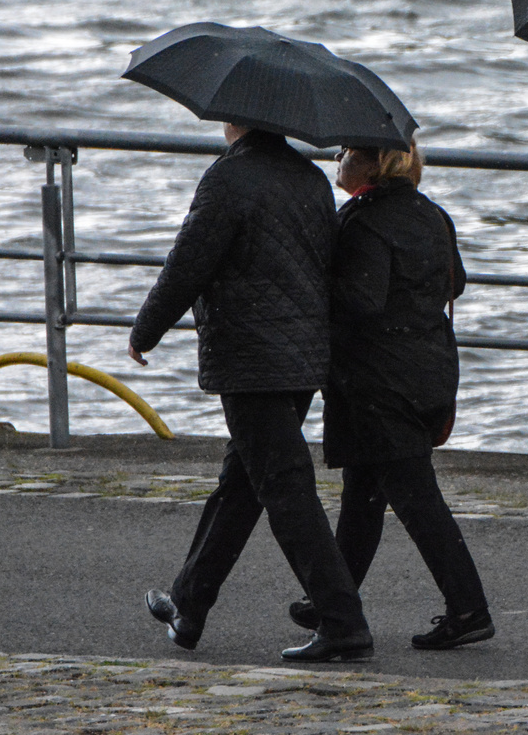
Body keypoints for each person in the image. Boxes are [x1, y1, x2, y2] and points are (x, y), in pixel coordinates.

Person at [130, 122, 372, 663]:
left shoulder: (228, 178)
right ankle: (188, 607)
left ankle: (342, 621)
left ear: (235, 118)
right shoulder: (311, 179)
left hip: (249, 359)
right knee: (241, 484)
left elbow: (189, 261)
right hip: (303, 357)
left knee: (285, 490)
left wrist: (146, 329)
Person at [290, 138, 493, 651]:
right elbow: (457, 282)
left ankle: (469, 608)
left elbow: (361, 300)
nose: (338, 161)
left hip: (378, 381)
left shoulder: (365, 221)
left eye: (346, 153)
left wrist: (315, 281)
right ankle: (333, 600)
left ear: (373, 164)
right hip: (427, 370)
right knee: (364, 494)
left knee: (417, 499)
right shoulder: (432, 214)